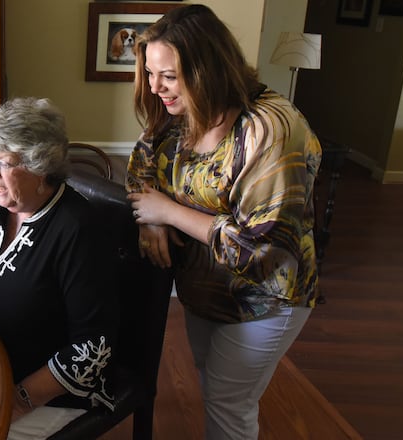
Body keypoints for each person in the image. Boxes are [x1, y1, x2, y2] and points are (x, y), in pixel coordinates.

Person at [125, 5, 322, 439]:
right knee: (209, 378)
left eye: (170, 76)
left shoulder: (271, 129)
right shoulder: (176, 115)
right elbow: (141, 167)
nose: (156, 87)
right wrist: (150, 222)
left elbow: (261, 251)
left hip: (266, 299)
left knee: (229, 403)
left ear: (208, 69)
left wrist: (170, 212)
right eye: (151, 73)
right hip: (203, 286)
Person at [0, 97, 118, 439]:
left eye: (2, 163)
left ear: (40, 165)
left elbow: (91, 349)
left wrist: (19, 399)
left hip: (44, 393)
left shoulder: (79, 231)